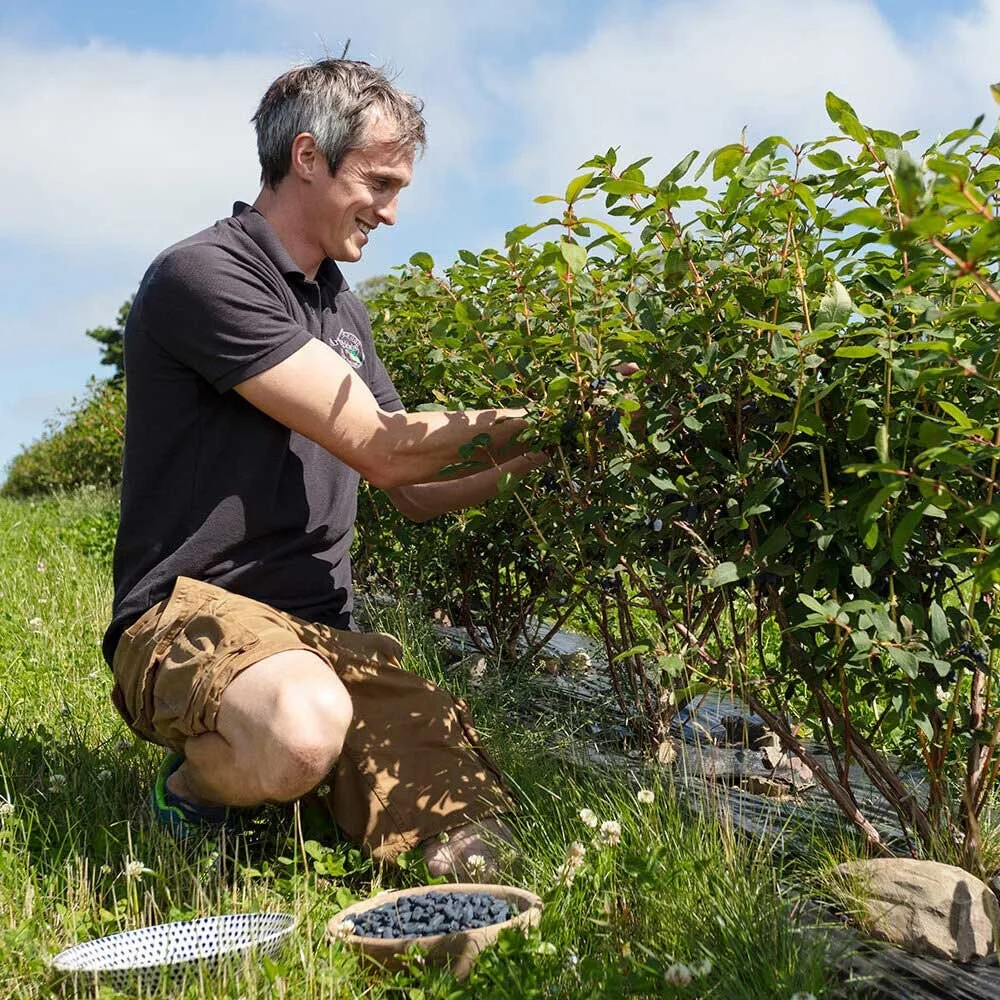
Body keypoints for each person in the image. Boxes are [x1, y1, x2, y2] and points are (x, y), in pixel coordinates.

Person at [102, 58, 541, 878]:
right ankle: (199, 789)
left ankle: (294, 774)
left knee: (480, 855)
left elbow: (408, 487)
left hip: (325, 636)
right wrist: (545, 416)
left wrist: (543, 460)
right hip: (189, 616)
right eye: (379, 182)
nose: (393, 212)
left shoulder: (342, 308)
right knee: (303, 731)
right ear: (308, 157)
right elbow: (381, 440)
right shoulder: (205, 274)